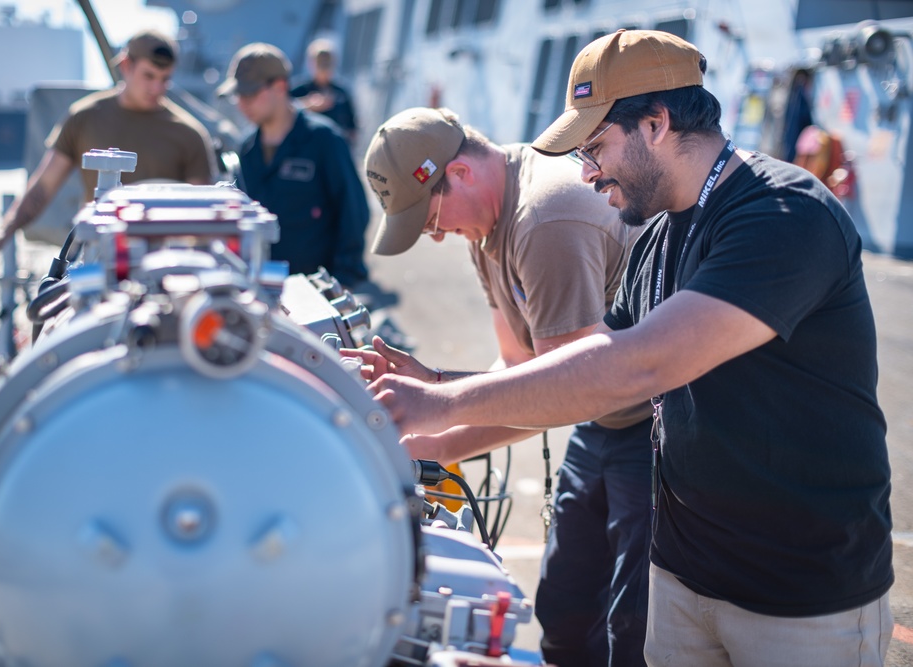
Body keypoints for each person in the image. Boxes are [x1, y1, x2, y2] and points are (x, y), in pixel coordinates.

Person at [368, 29, 893, 666]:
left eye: (595, 149)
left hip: (798, 595)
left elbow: (636, 366)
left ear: (655, 122)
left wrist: (445, 402)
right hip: (685, 573)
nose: (586, 173)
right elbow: (579, 367)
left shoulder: (784, 216)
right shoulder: (654, 234)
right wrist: (432, 384)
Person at [346, 105, 652, 666]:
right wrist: (426, 443)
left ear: (459, 173)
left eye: (431, 219)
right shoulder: (488, 225)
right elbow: (515, 367)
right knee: (564, 613)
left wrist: (436, 398)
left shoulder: (545, 217)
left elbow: (565, 387)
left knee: (629, 632)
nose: (435, 237)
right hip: (602, 420)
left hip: (656, 431)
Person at [0, 29, 218, 252]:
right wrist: (4, 231)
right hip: (95, 257)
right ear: (126, 65)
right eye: (149, 76)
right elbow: (43, 187)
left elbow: (201, 214)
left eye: (165, 79)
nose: (157, 87)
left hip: (163, 265)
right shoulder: (83, 118)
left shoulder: (190, 134)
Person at [218, 42, 369, 288]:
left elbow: (353, 212)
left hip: (313, 293)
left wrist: (340, 281)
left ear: (279, 87)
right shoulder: (246, 149)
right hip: (257, 289)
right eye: (238, 95)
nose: (241, 103)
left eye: (250, 93)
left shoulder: (325, 141)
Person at [290, 38, 358, 146]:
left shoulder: (341, 93)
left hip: (333, 147)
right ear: (311, 63)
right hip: (305, 146)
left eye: (327, 63)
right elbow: (284, 109)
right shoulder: (300, 90)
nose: (324, 69)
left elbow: (352, 127)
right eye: (320, 63)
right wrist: (307, 105)